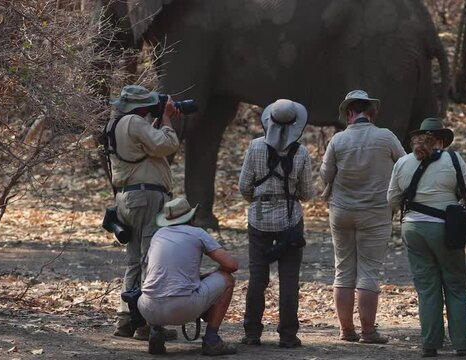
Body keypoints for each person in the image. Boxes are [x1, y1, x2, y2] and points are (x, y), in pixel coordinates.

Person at [320, 90, 405, 343]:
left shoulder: (338, 140)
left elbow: (325, 176)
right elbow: (404, 165)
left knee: (343, 270)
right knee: (369, 271)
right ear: (371, 112)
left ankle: (346, 330)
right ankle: (368, 331)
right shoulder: (385, 137)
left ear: (349, 114)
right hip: (376, 212)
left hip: (342, 211)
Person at [387, 118, 466, 357]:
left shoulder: (403, 162)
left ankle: (430, 344)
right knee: (456, 285)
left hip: (413, 229)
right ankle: (462, 344)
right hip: (446, 229)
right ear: (441, 140)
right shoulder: (453, 159)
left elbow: (392, 200)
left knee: (427, 288)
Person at [238, 99, 315, 348]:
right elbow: (307, 193)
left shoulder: (254, 147)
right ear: (296, 124)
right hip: (290, 222)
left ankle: (252, 332)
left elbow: (244, 187)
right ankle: (288, 335)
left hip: (258, 220)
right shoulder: (301, 152)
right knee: (289, 279)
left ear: (269, 121)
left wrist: (259, 200)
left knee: (257, 277)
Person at [108, 85, 180, 340]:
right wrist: (168, 119)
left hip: (127, 197)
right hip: (146, 197)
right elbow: (166, 145)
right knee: (150, 259)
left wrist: (158, 119)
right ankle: (148, 325)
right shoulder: (134, 122)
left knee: (134, 261)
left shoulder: (117, 123)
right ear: (141, 108)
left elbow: (147, 147)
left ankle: (126, 319)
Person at [137, 197, 239, 356]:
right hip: (183, 307)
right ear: (191, 217)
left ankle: (156, 331)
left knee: (156, 283)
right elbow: (232, 265)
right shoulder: (197, 233)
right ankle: (212, 340)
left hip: (148, 308)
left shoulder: (158, 234)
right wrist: (212, 274)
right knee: (227, 279)